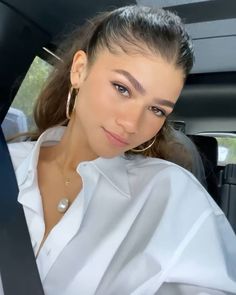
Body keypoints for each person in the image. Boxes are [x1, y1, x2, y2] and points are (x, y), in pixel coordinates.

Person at [3, 5, 236, 295]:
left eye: (156, 109)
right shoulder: (8, 164)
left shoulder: (175, 198)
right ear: (79, 70)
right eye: (122, 88)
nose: (131, 124)